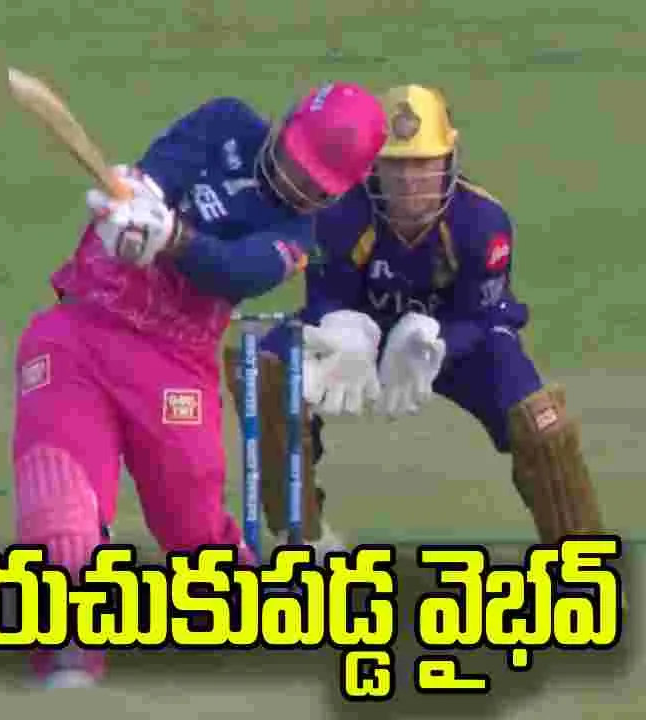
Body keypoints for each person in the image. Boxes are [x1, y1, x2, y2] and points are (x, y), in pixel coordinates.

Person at [11, 82, 388, 688]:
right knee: (61, 504)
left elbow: (234, 270)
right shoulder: (226, 123)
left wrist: (169, 239)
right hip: (79, 335)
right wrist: (135, 197)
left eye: (315, 185)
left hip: (174, 363)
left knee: (193, 533)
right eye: (295, 163)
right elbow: (163, 169)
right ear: (285, 125)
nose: (295, 184)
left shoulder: (296, 237)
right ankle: (68, 655)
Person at [241, 84, 606, 558]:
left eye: (424, 163)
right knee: (267, 372)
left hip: (460, 343)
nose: (411, 179)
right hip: (360, 342)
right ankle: (304, 540)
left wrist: (439, 343)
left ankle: (583, 563)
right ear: (372, 166)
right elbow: (325, 298)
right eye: (396, 165)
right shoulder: (337, 215)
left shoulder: (483, 223)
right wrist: (343, 329)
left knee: (543, 426)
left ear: (449, 159)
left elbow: (483, 315)